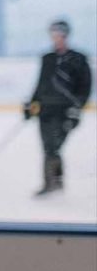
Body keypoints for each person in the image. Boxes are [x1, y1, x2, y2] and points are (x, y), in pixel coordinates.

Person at [24, 20, 91, 197]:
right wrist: (31, 104)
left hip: (65, 111)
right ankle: (54, 182)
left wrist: (77, 110)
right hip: (45, 110)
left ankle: (54, 182)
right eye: (53, 34)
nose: (56, 38)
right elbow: (41, 84)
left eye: (59, 34)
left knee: (54, 146)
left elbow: (85, 87)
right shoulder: (48, 58)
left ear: (66, 35)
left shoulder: (78, 59)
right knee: (49, 147)